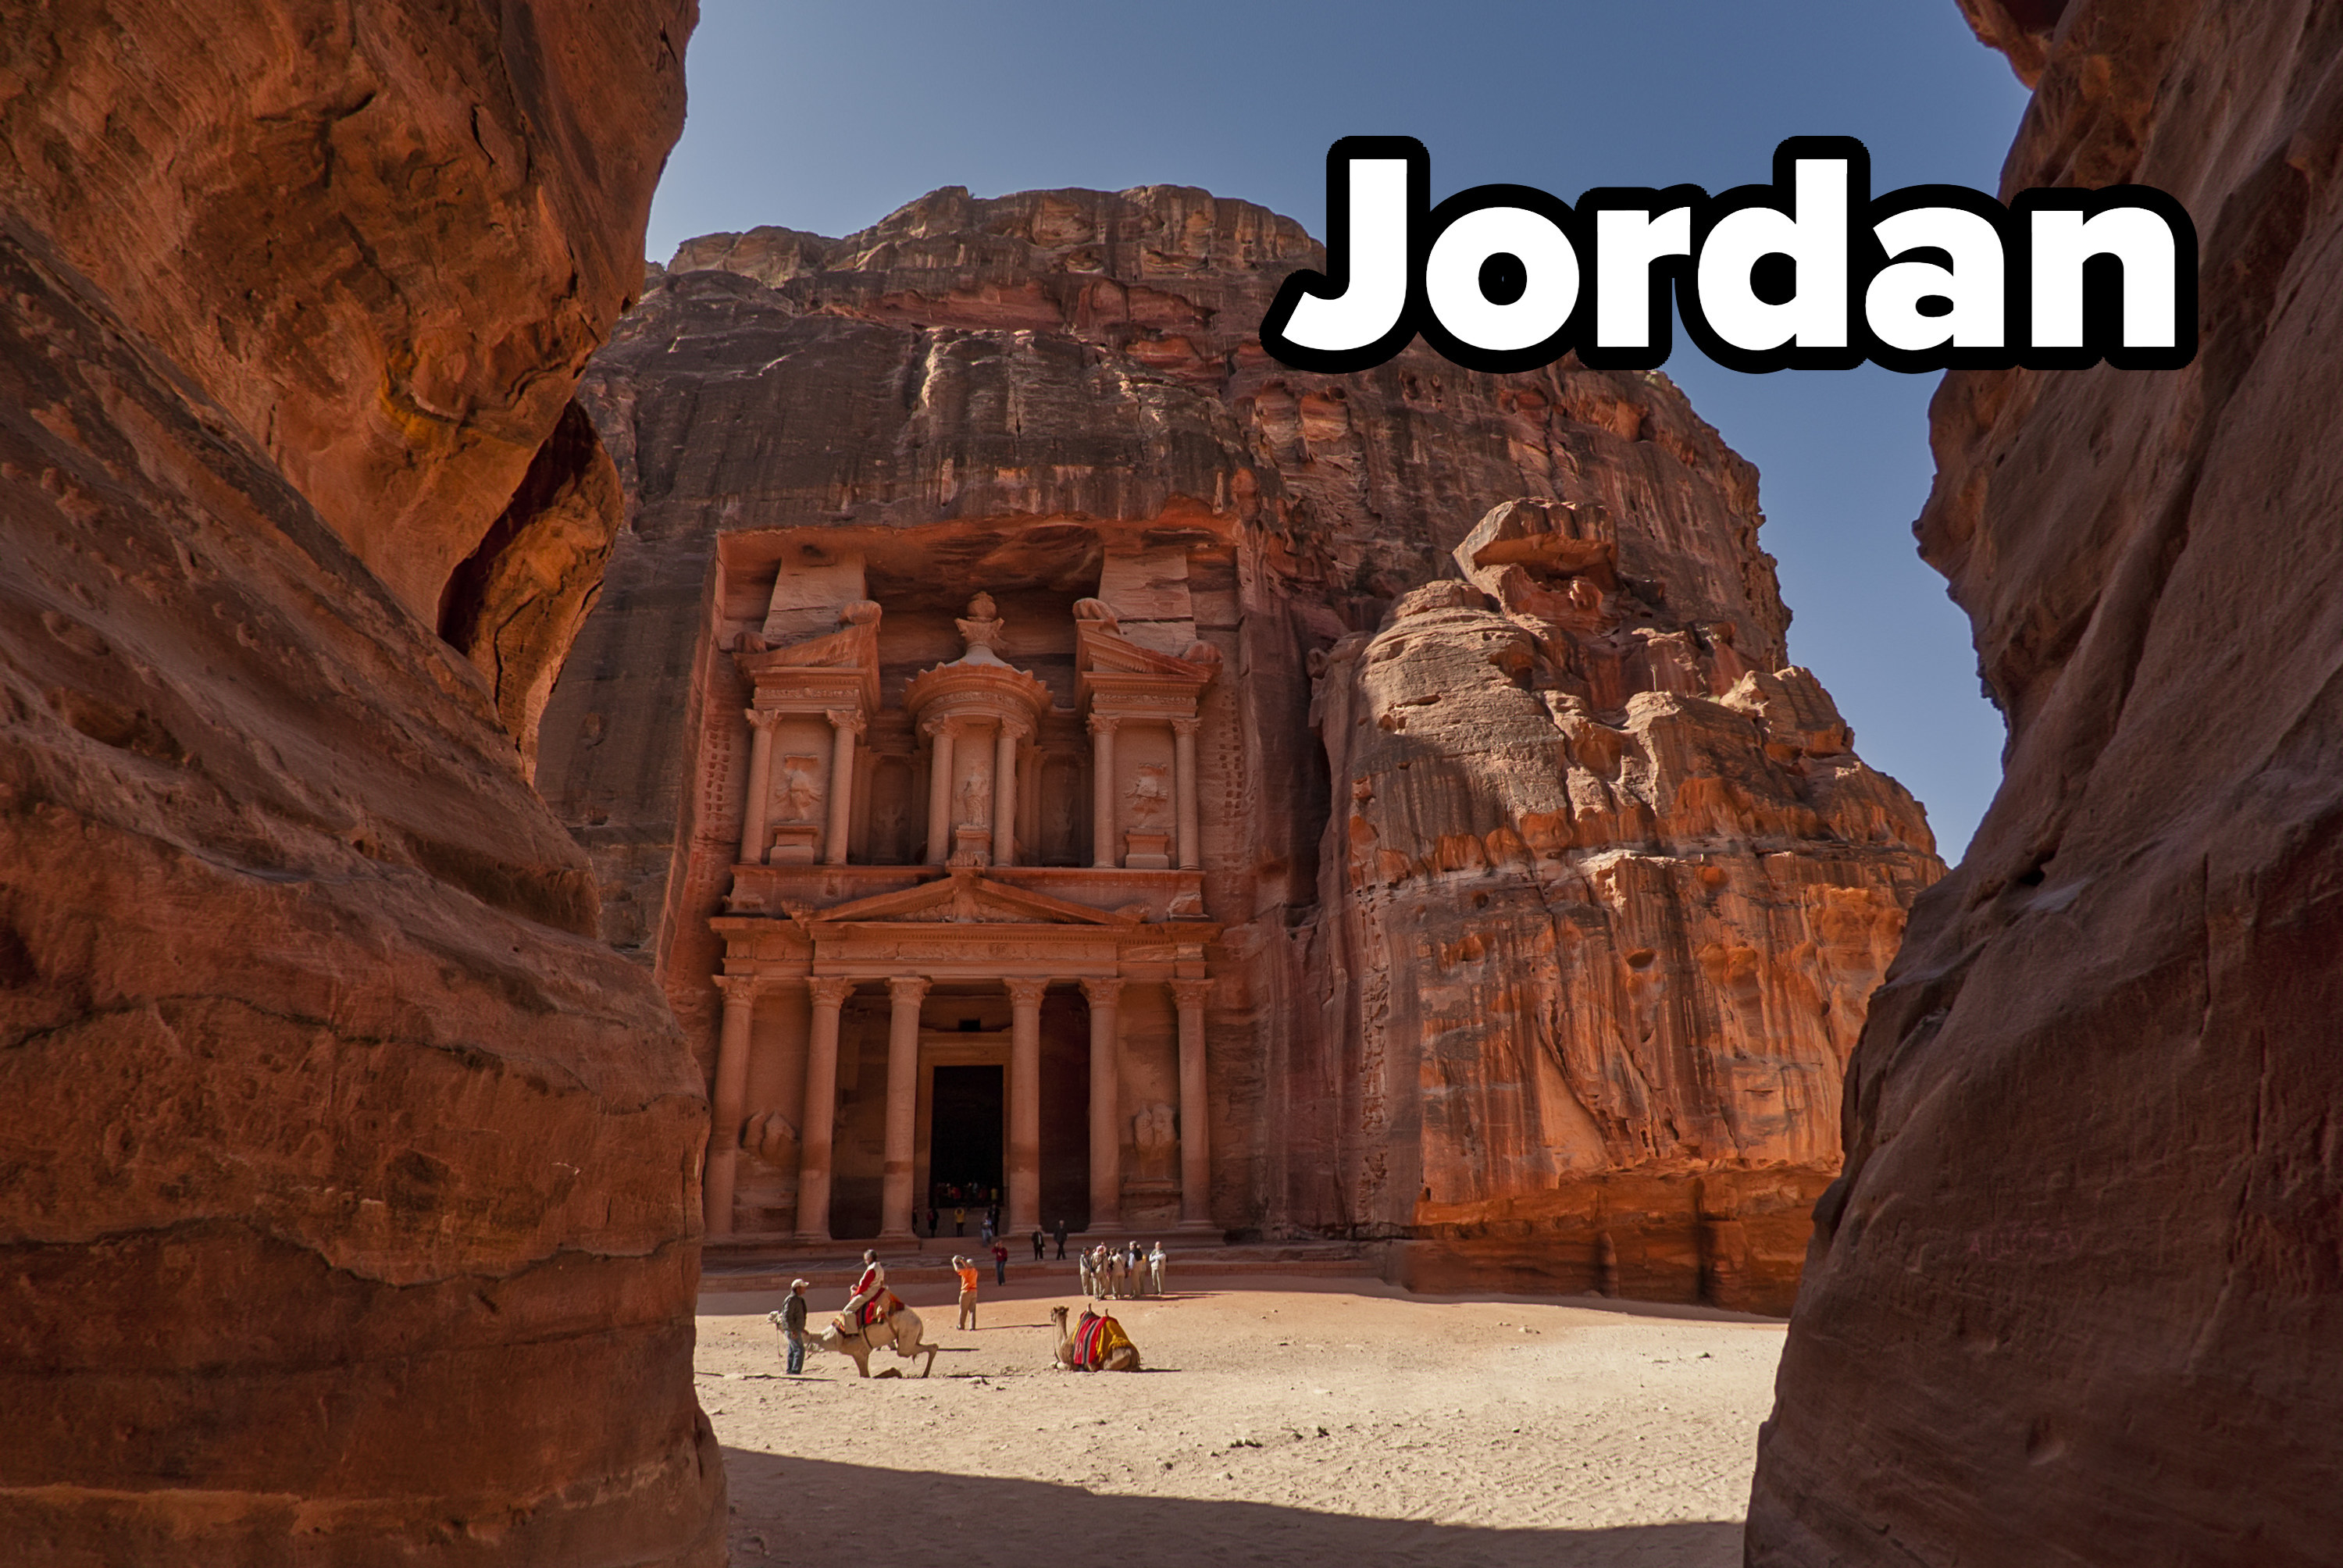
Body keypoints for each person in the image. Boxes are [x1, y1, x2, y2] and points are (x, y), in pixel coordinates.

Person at [843, 1249, 886, 1337]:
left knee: (847, 1311)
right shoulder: (879, 1267)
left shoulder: (872, 1269)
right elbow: (881, 1283)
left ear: (870, 1258)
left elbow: (864, 1286)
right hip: (876, 1291)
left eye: (866, 1259)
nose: (865, 1261)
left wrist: (855, 1293)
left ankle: (853, 1333)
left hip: (868, 1294)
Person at [781, 1278, 810, 1374]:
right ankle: (795, 1371)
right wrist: (793, 1329)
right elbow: (787, 1315)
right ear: (798, 1288)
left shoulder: (797, 1299)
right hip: (792, 1330)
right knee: (799, 1349)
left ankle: (790, 1370)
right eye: (803, 1287)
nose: (805, 1289)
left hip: (795, 1329)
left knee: (793, 1350)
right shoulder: (792, 1300)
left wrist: (801, 1329)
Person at [954, 1254, 979, 1331]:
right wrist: (962, 1261)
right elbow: (968, 1267)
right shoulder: (975, 1271)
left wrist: (954, 1262)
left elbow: (958, 1270)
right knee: (972, 1310)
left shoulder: (966, 1271)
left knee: (963, 1310)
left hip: (966, 1292)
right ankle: (972, 1326)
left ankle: (961, 1325)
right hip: (974, 1292)